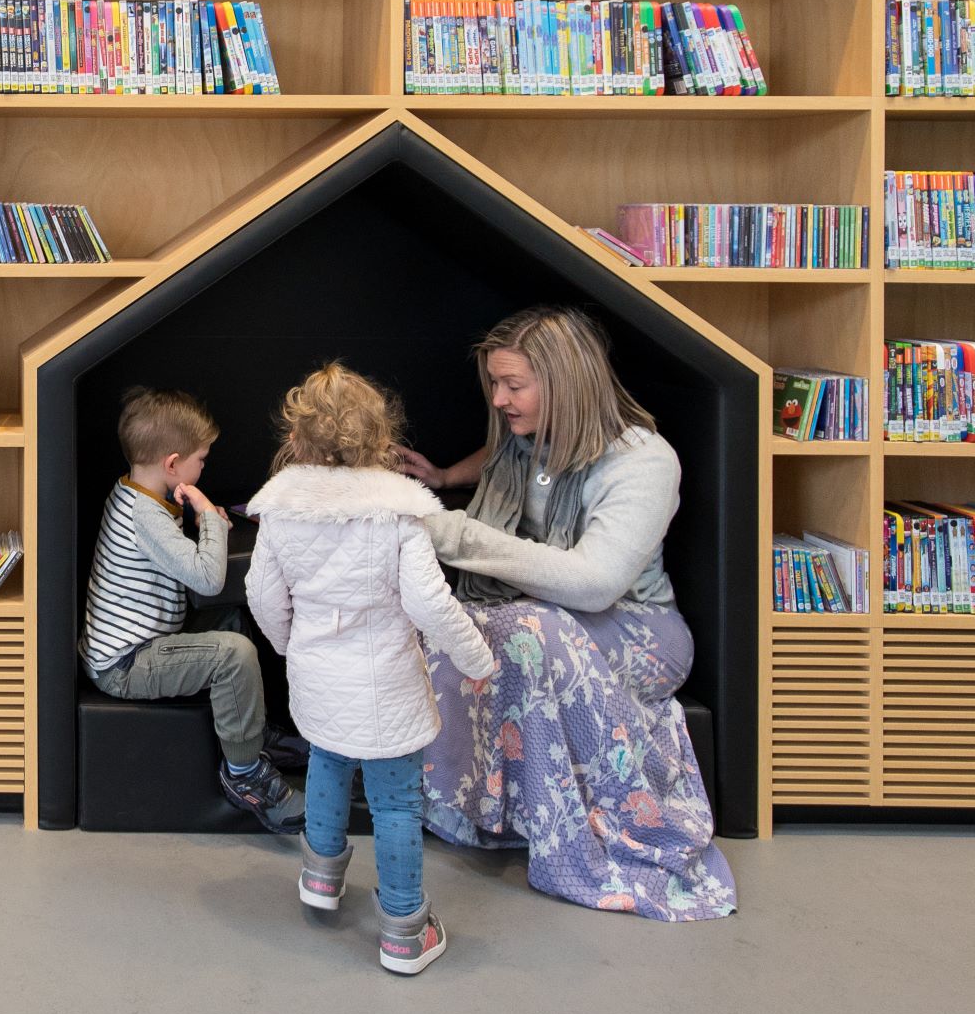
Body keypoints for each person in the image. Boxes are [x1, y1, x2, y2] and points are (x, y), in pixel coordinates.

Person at [397, 305, 737, 920]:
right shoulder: (530, 440)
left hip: (638, 629)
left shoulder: (643, 462)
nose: (499, 399)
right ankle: (471, 805)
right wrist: (448, 474)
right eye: (494, 384)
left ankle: (550, 824)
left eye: (514, 386)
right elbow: (507, 460)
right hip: (539, 613)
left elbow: (593, 584)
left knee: (522, 631)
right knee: (449, 621)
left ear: (565, 384)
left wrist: (448, 532)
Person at [245, 363, 496, 975]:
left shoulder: (281, 511)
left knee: (327, 760)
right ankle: (405, 930)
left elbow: (260, 592)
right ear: (380, 439)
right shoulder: (395, 514)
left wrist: (290, 645)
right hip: (384, 681)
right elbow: (430, 603)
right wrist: (476, 659)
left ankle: (322, 877)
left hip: (315, 673)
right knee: (396, 802)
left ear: (296, 439)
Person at [81, 386, 303, 833]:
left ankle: (252, 735)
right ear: (172, 464)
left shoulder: (134, 493)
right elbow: (207, 579)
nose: (205, 466)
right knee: (233, 653)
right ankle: (244, 775)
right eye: (201, 459)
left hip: (144, 642)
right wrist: (213, 524)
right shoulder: (145, 517)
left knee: (236, 620)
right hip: (127, 664)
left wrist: (198, 522)